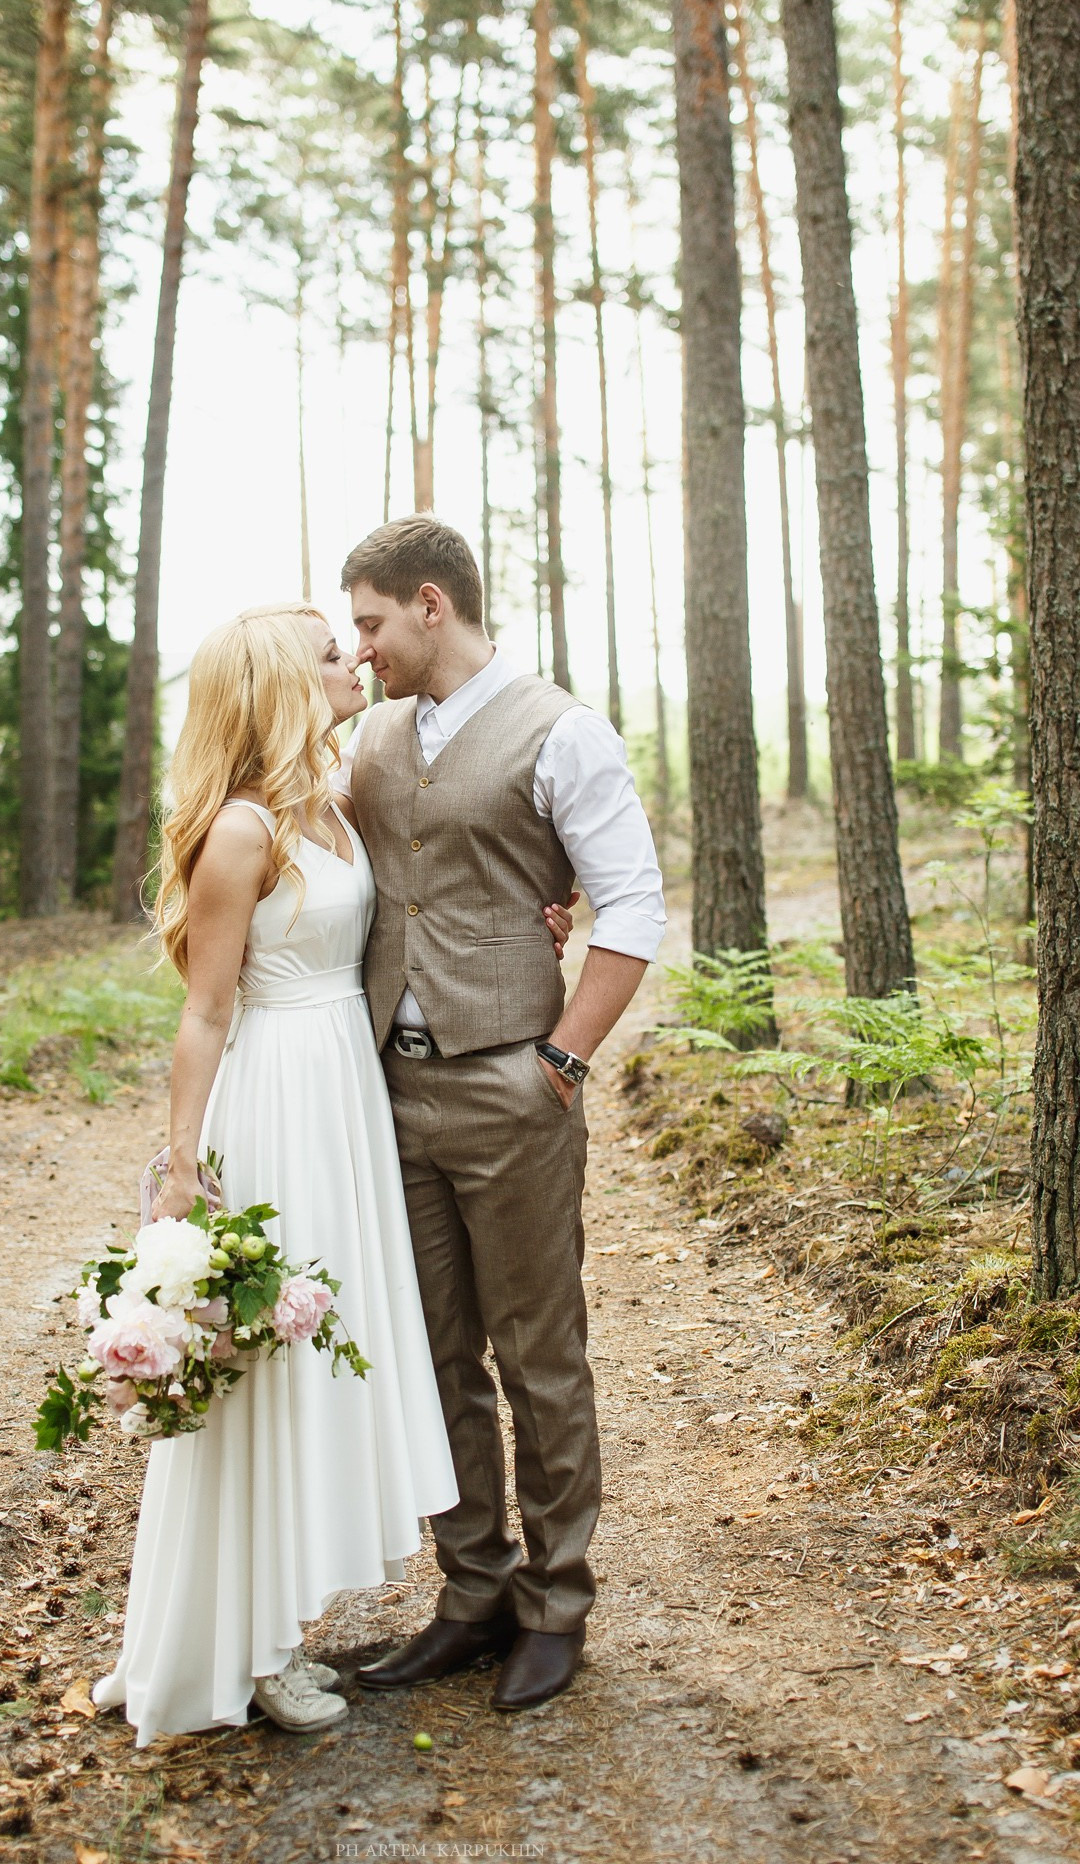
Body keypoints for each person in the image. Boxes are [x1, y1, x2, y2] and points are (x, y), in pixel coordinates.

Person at [92, 603, 573, 1744]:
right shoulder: (242, 831)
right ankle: (248, 1649)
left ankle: (281, 1617)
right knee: (263, 1374)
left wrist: (537, 920)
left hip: (350, 1101)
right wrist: (180, 1167)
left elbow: (434, 893)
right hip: (278, 1102)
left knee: (318, 1366)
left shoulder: (339, 799)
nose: (352, 657)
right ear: (278, 686)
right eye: (326, 651)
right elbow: (205, 1012)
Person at [333, 515, 666, 1712]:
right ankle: (469, 1592)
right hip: (388, 1091)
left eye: (371, 622)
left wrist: (558, 1064)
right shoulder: (368, 736)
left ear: (431, 604)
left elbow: (631, 908)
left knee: (537, 1354)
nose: (361, 648)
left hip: (511, 1088)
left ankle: (554, 1602)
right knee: (433, 1357)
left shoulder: (561, 730)